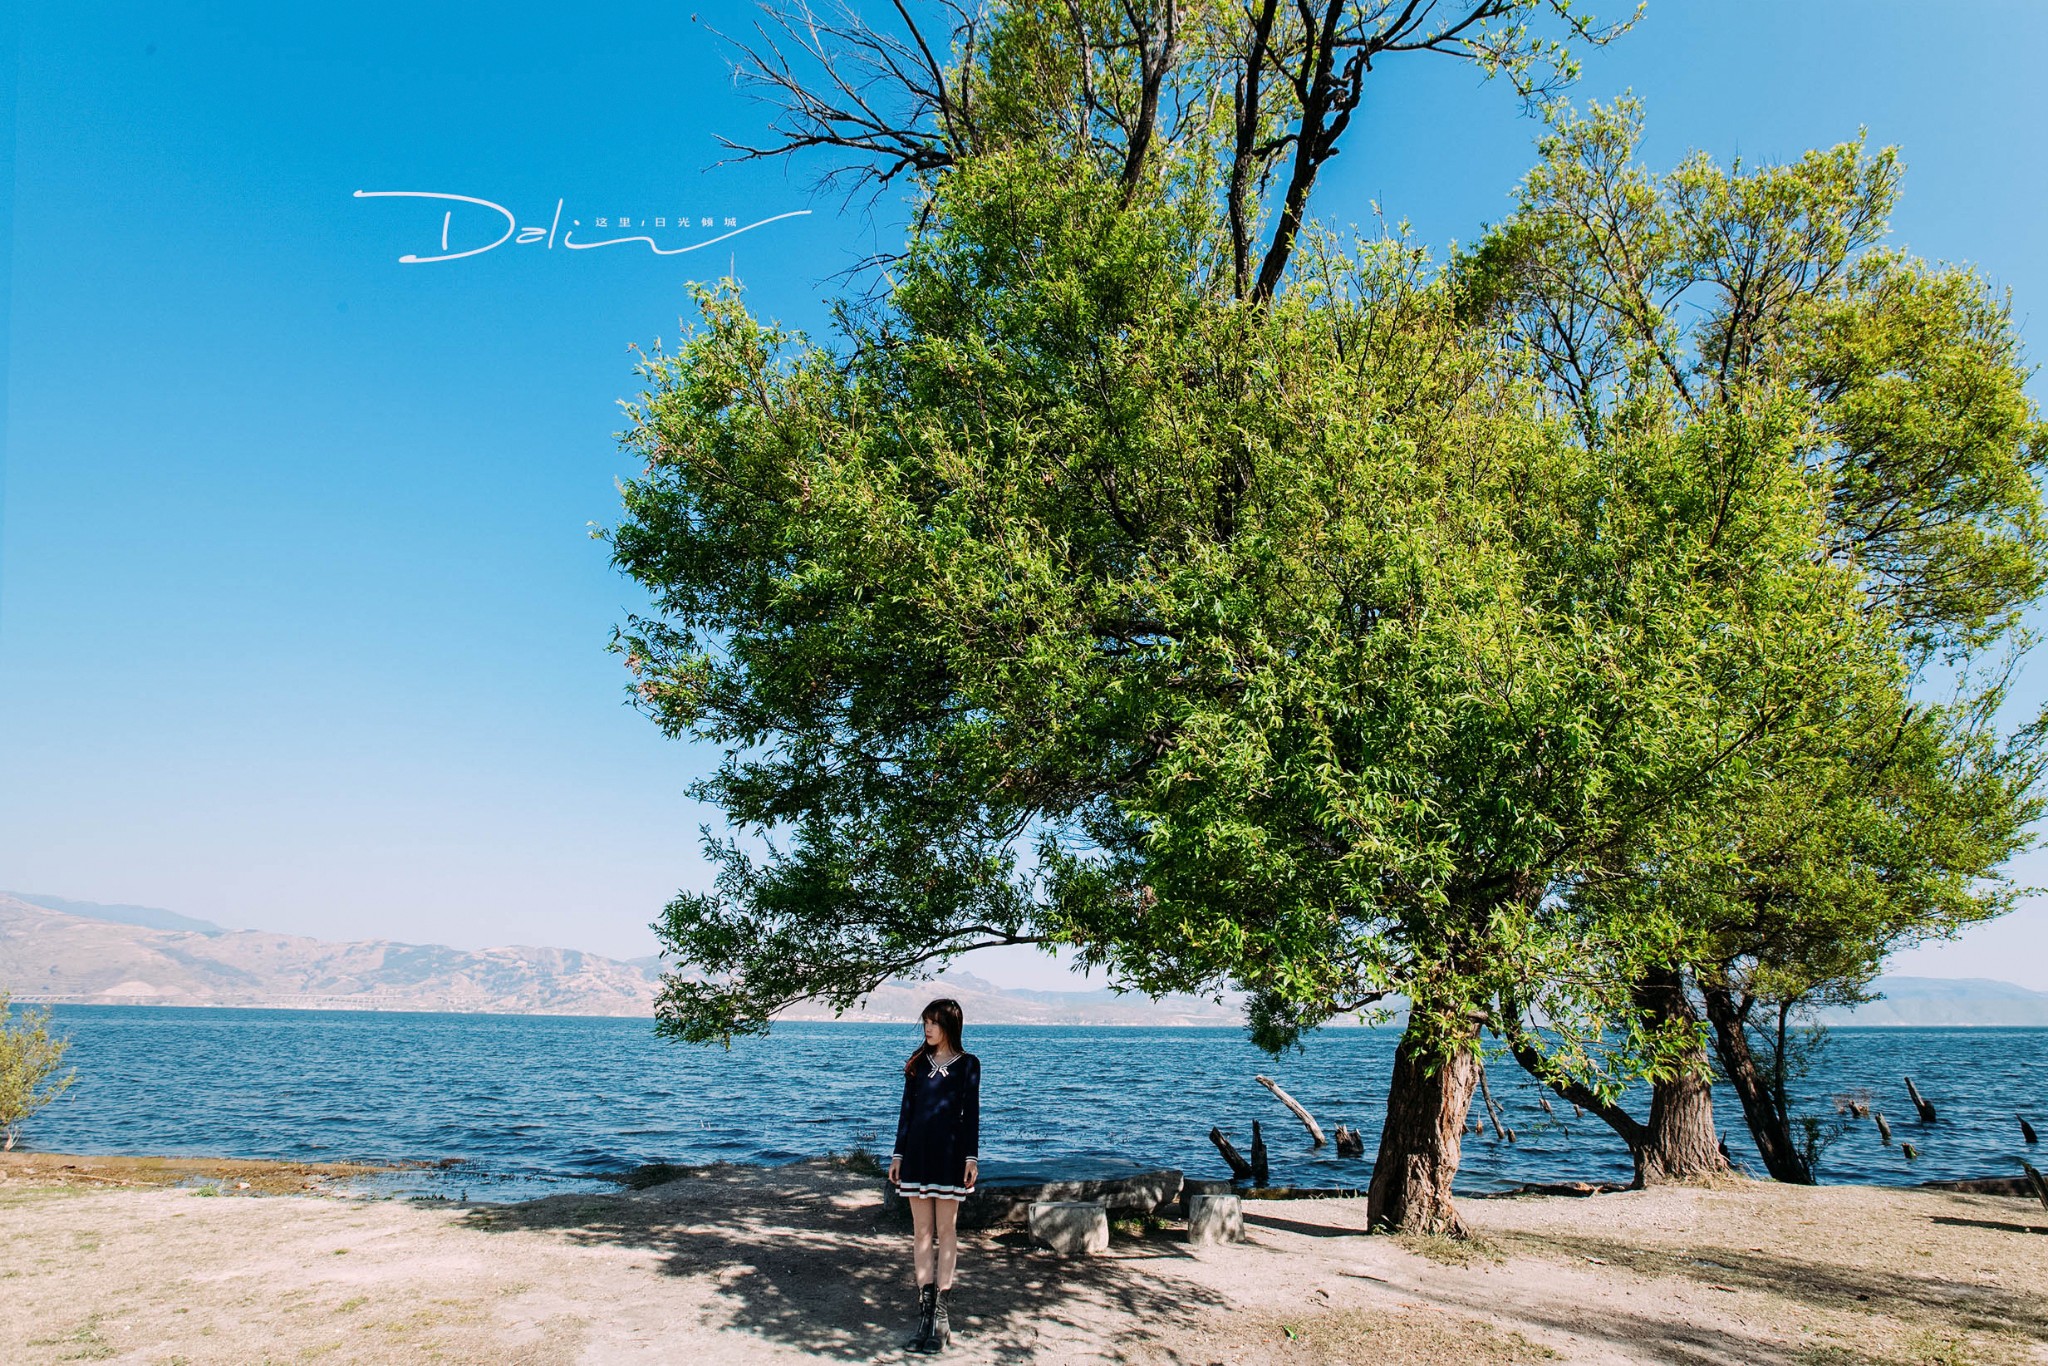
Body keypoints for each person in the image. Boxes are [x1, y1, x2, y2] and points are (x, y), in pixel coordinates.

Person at [888, 998, 980, 1353]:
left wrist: (971, 1158)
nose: (928, 1028)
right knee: (922, 1232)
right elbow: (907, 1111)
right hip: (916, 1156)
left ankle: (942, 1316)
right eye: (926, 1021)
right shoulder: (917, 1063)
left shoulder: (968, 1064)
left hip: (950, 1158)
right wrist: (898, 1154)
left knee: (947, 1230)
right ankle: (924, 1316)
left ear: (950, 1026)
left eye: (935, 1022)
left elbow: (970, 1114)